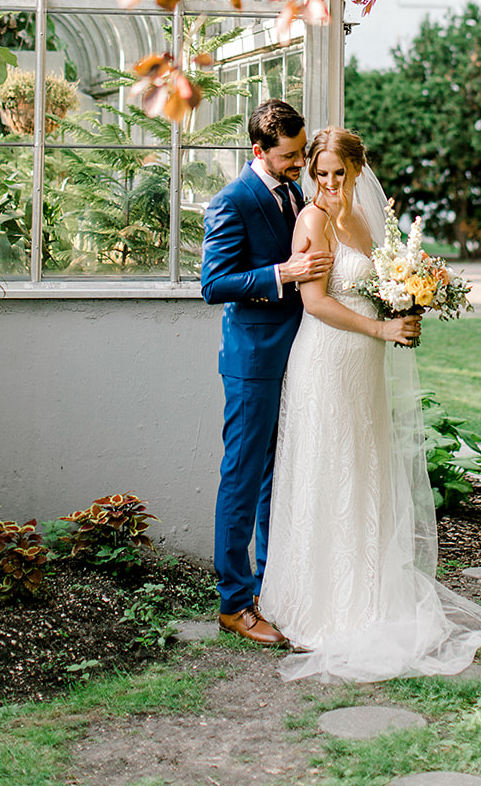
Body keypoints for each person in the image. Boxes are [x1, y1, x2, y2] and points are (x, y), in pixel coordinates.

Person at [259, 126, 481, 680]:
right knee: (329, 471)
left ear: (356, 172)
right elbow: (317, 304)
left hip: (365, 364)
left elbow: (385, 279)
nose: (327, 184)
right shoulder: (312, 221)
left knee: (367, 468)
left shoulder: (366, 221)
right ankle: (323, 604)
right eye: (319, 174)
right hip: (327, 358)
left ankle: (371, 594)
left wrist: (410, 299)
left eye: (337, 174)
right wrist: (380, 329)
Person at [200, 100, 333, 647]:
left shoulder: (295, 190)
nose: (300, 162)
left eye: (303, 152)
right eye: (290, 155)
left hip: (298, 352)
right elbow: (214, 284)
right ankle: (234, 603)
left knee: (279, 477)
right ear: (259, 151)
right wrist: (285, 272)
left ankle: (269, 588)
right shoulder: (231, 201)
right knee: (243, 476)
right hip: (253, 358)